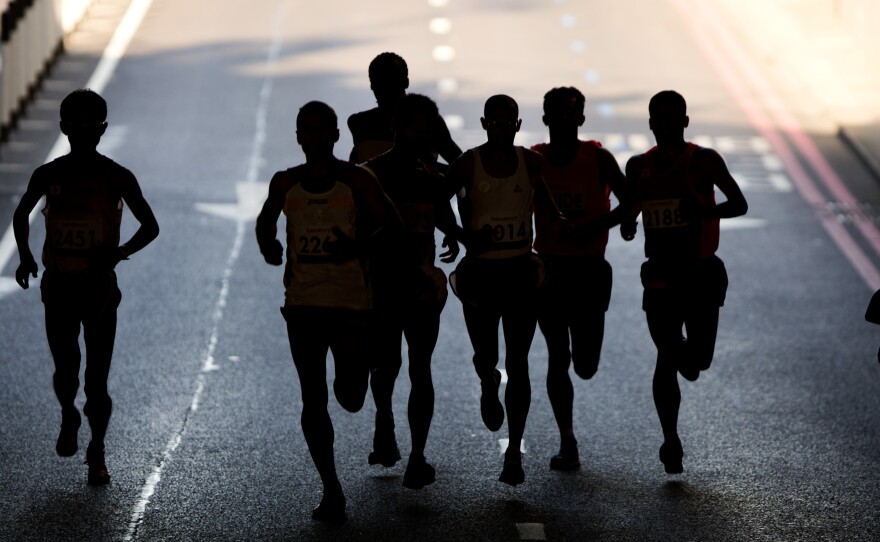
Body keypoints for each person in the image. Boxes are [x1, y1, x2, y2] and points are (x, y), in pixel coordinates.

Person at [255, 101, 401, 523]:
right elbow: (264, 224)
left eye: (324, 131)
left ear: (336, 135)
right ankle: (331, 488)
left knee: (351, 396)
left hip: (352, 304)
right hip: (302, 305)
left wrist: (355, 247)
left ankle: (357, 385)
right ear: (298, 136)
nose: (316, 138)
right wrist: (270, 246)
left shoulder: (358, 180)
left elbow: (390, 228)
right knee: (312, 396)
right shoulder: (285, 183)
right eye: (308, 131)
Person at [13, 89, 160, 485]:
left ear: (103, 130)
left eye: (90, 127)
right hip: (58, 285)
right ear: (64, 128)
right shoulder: (49, 174)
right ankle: (68, 412)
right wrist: (26, 256)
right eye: (75, 127)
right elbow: (21, 212)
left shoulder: (116, 176)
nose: (82, 133)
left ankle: (97, 450)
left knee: (97, 379)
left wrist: (119, 252)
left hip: (99, 290)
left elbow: (151, 226)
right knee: (66, 371)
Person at [623, 90, 747, 474]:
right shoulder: (637, 166)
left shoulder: (704, 160)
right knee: (665, 354)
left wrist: (704, 209)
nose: (664, 124)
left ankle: (683, 353)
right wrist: (628, 224)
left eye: (671, 117)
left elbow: (739, 203)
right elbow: (630, 213)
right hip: (660, 273)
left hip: (701, 273)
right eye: (657, 118)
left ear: (685, 121)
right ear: (650, 124)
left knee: (698, 361)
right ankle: (670, 440)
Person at [446, 94, 560, 486]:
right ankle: (487, 381)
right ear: (483, 124)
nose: (499, 129)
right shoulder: (468, 164)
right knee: (485, 355)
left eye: (506, 123)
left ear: (516, 124)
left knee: (519, 361)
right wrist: (460, 235)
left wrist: (567, 226)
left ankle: (514, 452)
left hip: (518, 272)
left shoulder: (530, 162)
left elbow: (547, 206)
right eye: (492, 123)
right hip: (480, 274)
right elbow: (436, 200)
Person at [361, 93, 461, 490]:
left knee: (421, 368)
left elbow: (445, 219)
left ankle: (417, 456)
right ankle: (384, 417)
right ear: (395, 128)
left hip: (422, 289)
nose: (419, 135)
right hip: (383, 286)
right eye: (412, 126)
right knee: (386, 365)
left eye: (426, 128)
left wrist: (458, 236)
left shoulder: (433, 178)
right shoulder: (370, 175)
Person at [531, 87, 630, 471]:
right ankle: (567, 441)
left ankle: (569, 434)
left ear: (581, 119)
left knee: (585, 365)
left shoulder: (598, 158)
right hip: (551, 269)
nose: (563, 118)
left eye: (571, 112)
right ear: (546, 119)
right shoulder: (535, 159)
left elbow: (631, 200)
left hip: (589, 270)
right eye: (555, 112)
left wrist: (599, 226)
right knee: (558, 357)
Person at [347, 52, 462, 165]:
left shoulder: (430, 121)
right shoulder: (359, 123)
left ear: (405, 82)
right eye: (380, 82)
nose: (386, 88)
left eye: (391, 81)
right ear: (372, 85)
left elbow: (461, 167)